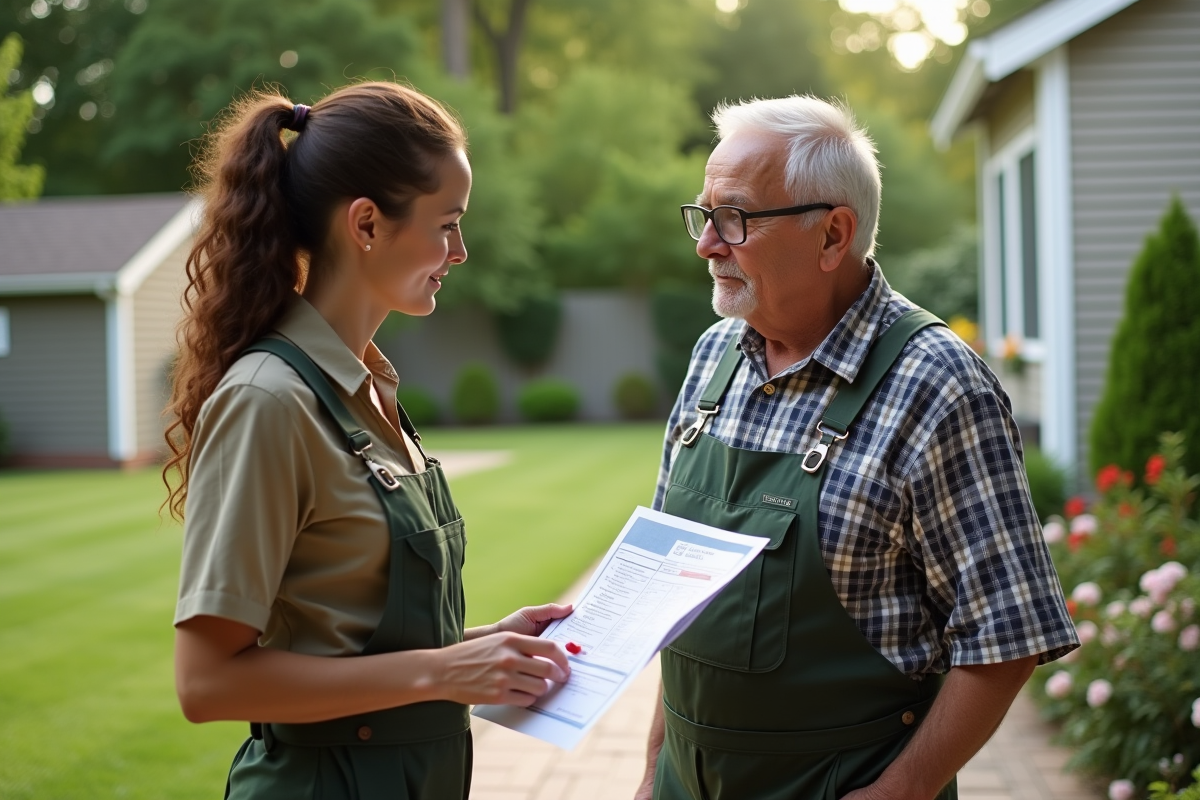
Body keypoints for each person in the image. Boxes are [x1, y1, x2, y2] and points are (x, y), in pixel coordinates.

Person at [633, 95, 1078, 800]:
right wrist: (656, 768)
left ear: (833, 234)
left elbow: (1008, 632)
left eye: (735, 218)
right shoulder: (713, 357)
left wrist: (902, 790)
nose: (707, 244)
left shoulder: (937, 385)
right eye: (704, 214)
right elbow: (684, 606)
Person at [165, 82, 572, 800]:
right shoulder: (269, 400)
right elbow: (206, 682)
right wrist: (443, 672)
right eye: (447, 224)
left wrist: (482, 647)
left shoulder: (370, 389)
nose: (461, 250)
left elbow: (347, 639)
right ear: (365, 225)